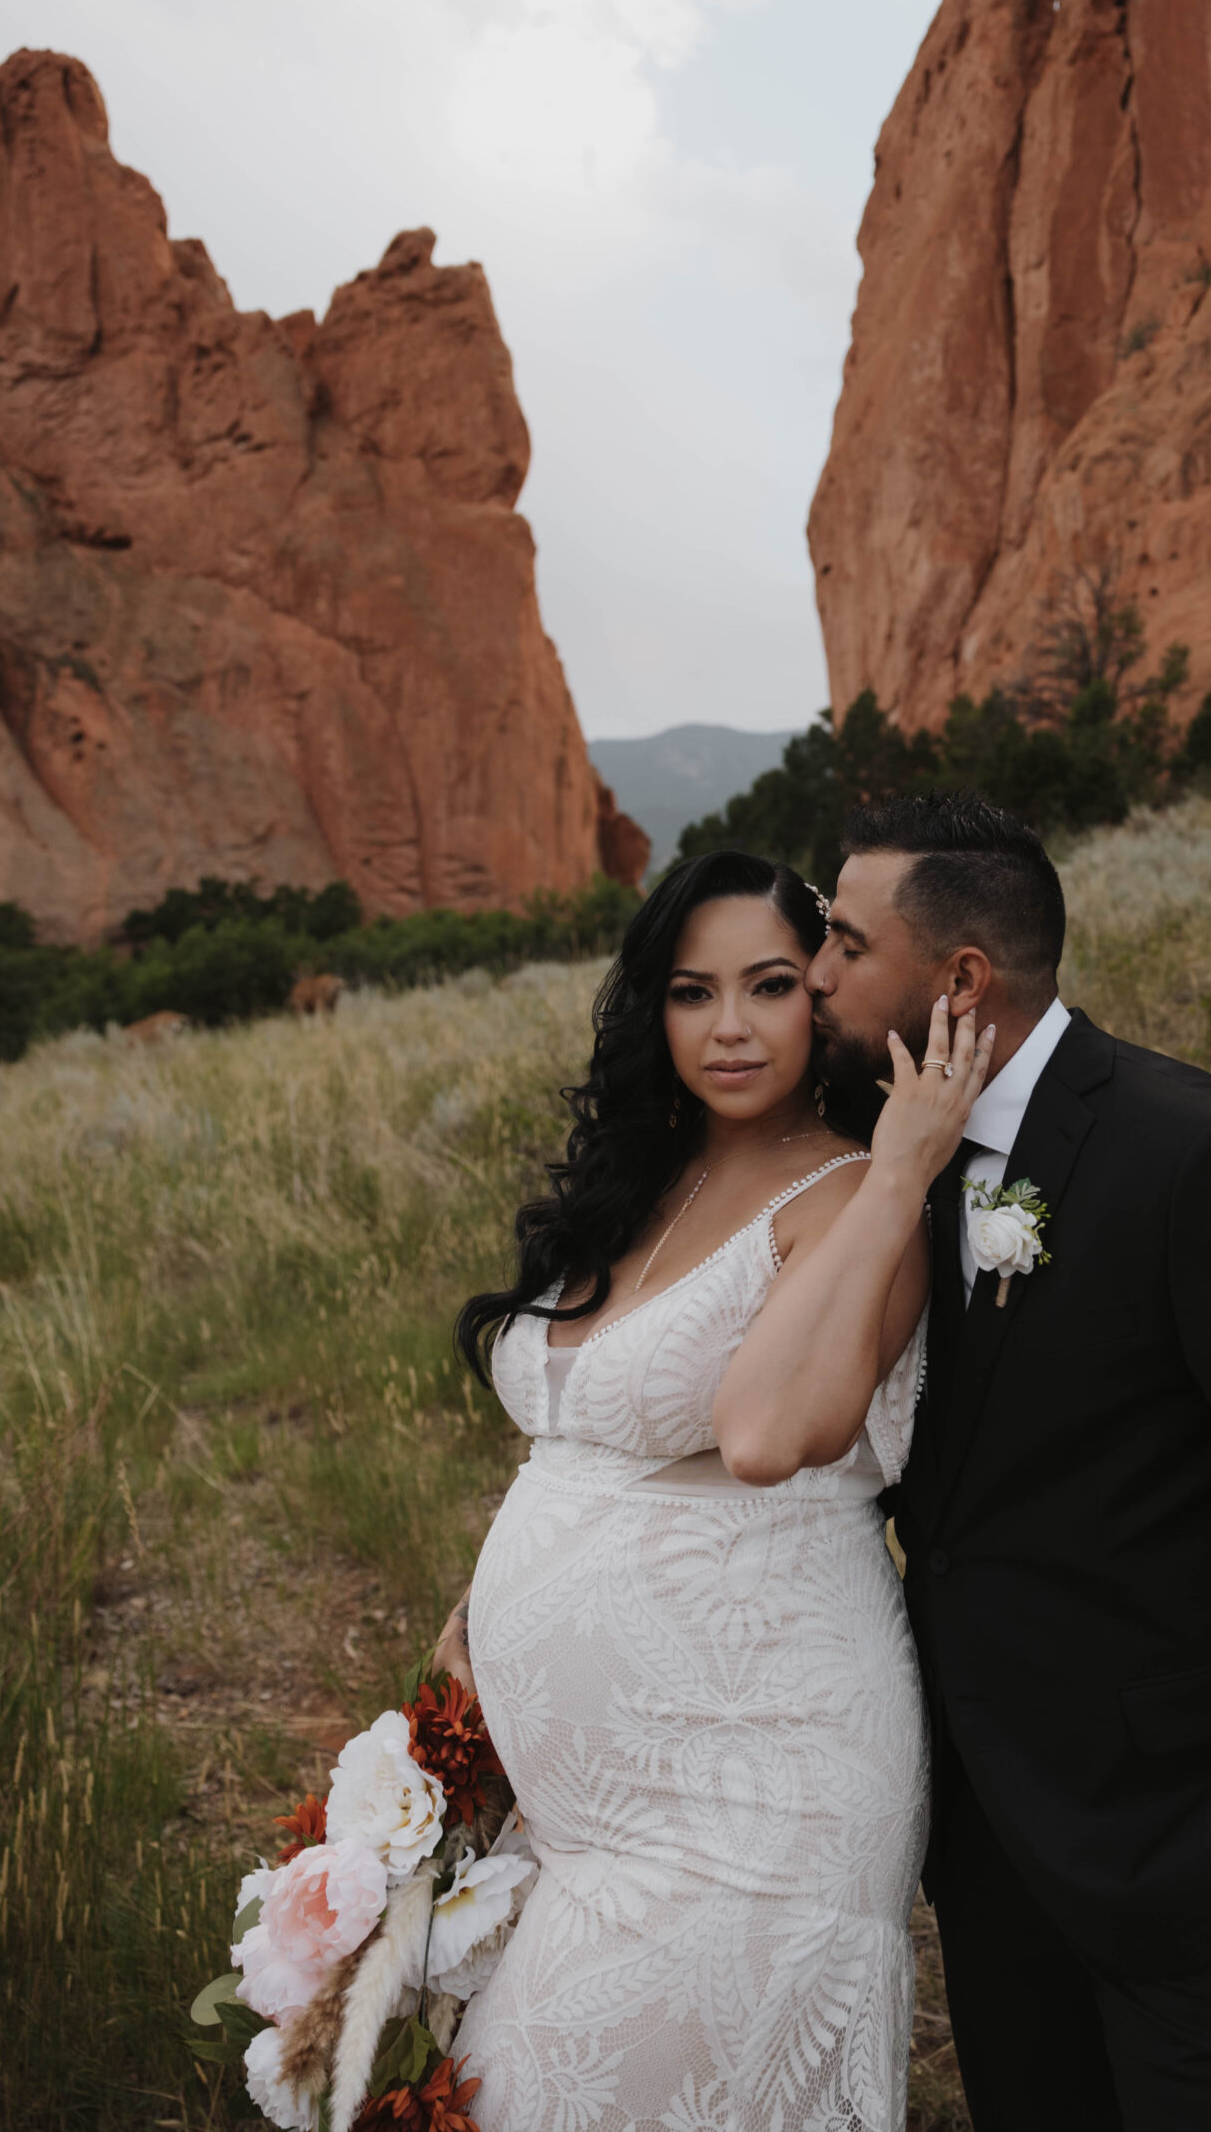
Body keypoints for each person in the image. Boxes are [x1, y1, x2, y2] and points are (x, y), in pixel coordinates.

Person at [805, 792, 1211, 2132]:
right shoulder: (899, 1161)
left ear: (958, 977)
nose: (817, 977)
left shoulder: (1198, 1158)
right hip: (1001, 1874)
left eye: (845, 946)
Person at [431, 848, 995, 2132]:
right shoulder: (641, 1178)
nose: (730, 1027)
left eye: (771, 985)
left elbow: (764, 1431)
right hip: (574, 1814)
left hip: (756, 1792)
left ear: (826, 998)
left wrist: (906, 1166)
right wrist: (488, 1605)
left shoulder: (856, 1196)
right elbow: (583, 1447)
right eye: (693, 992)